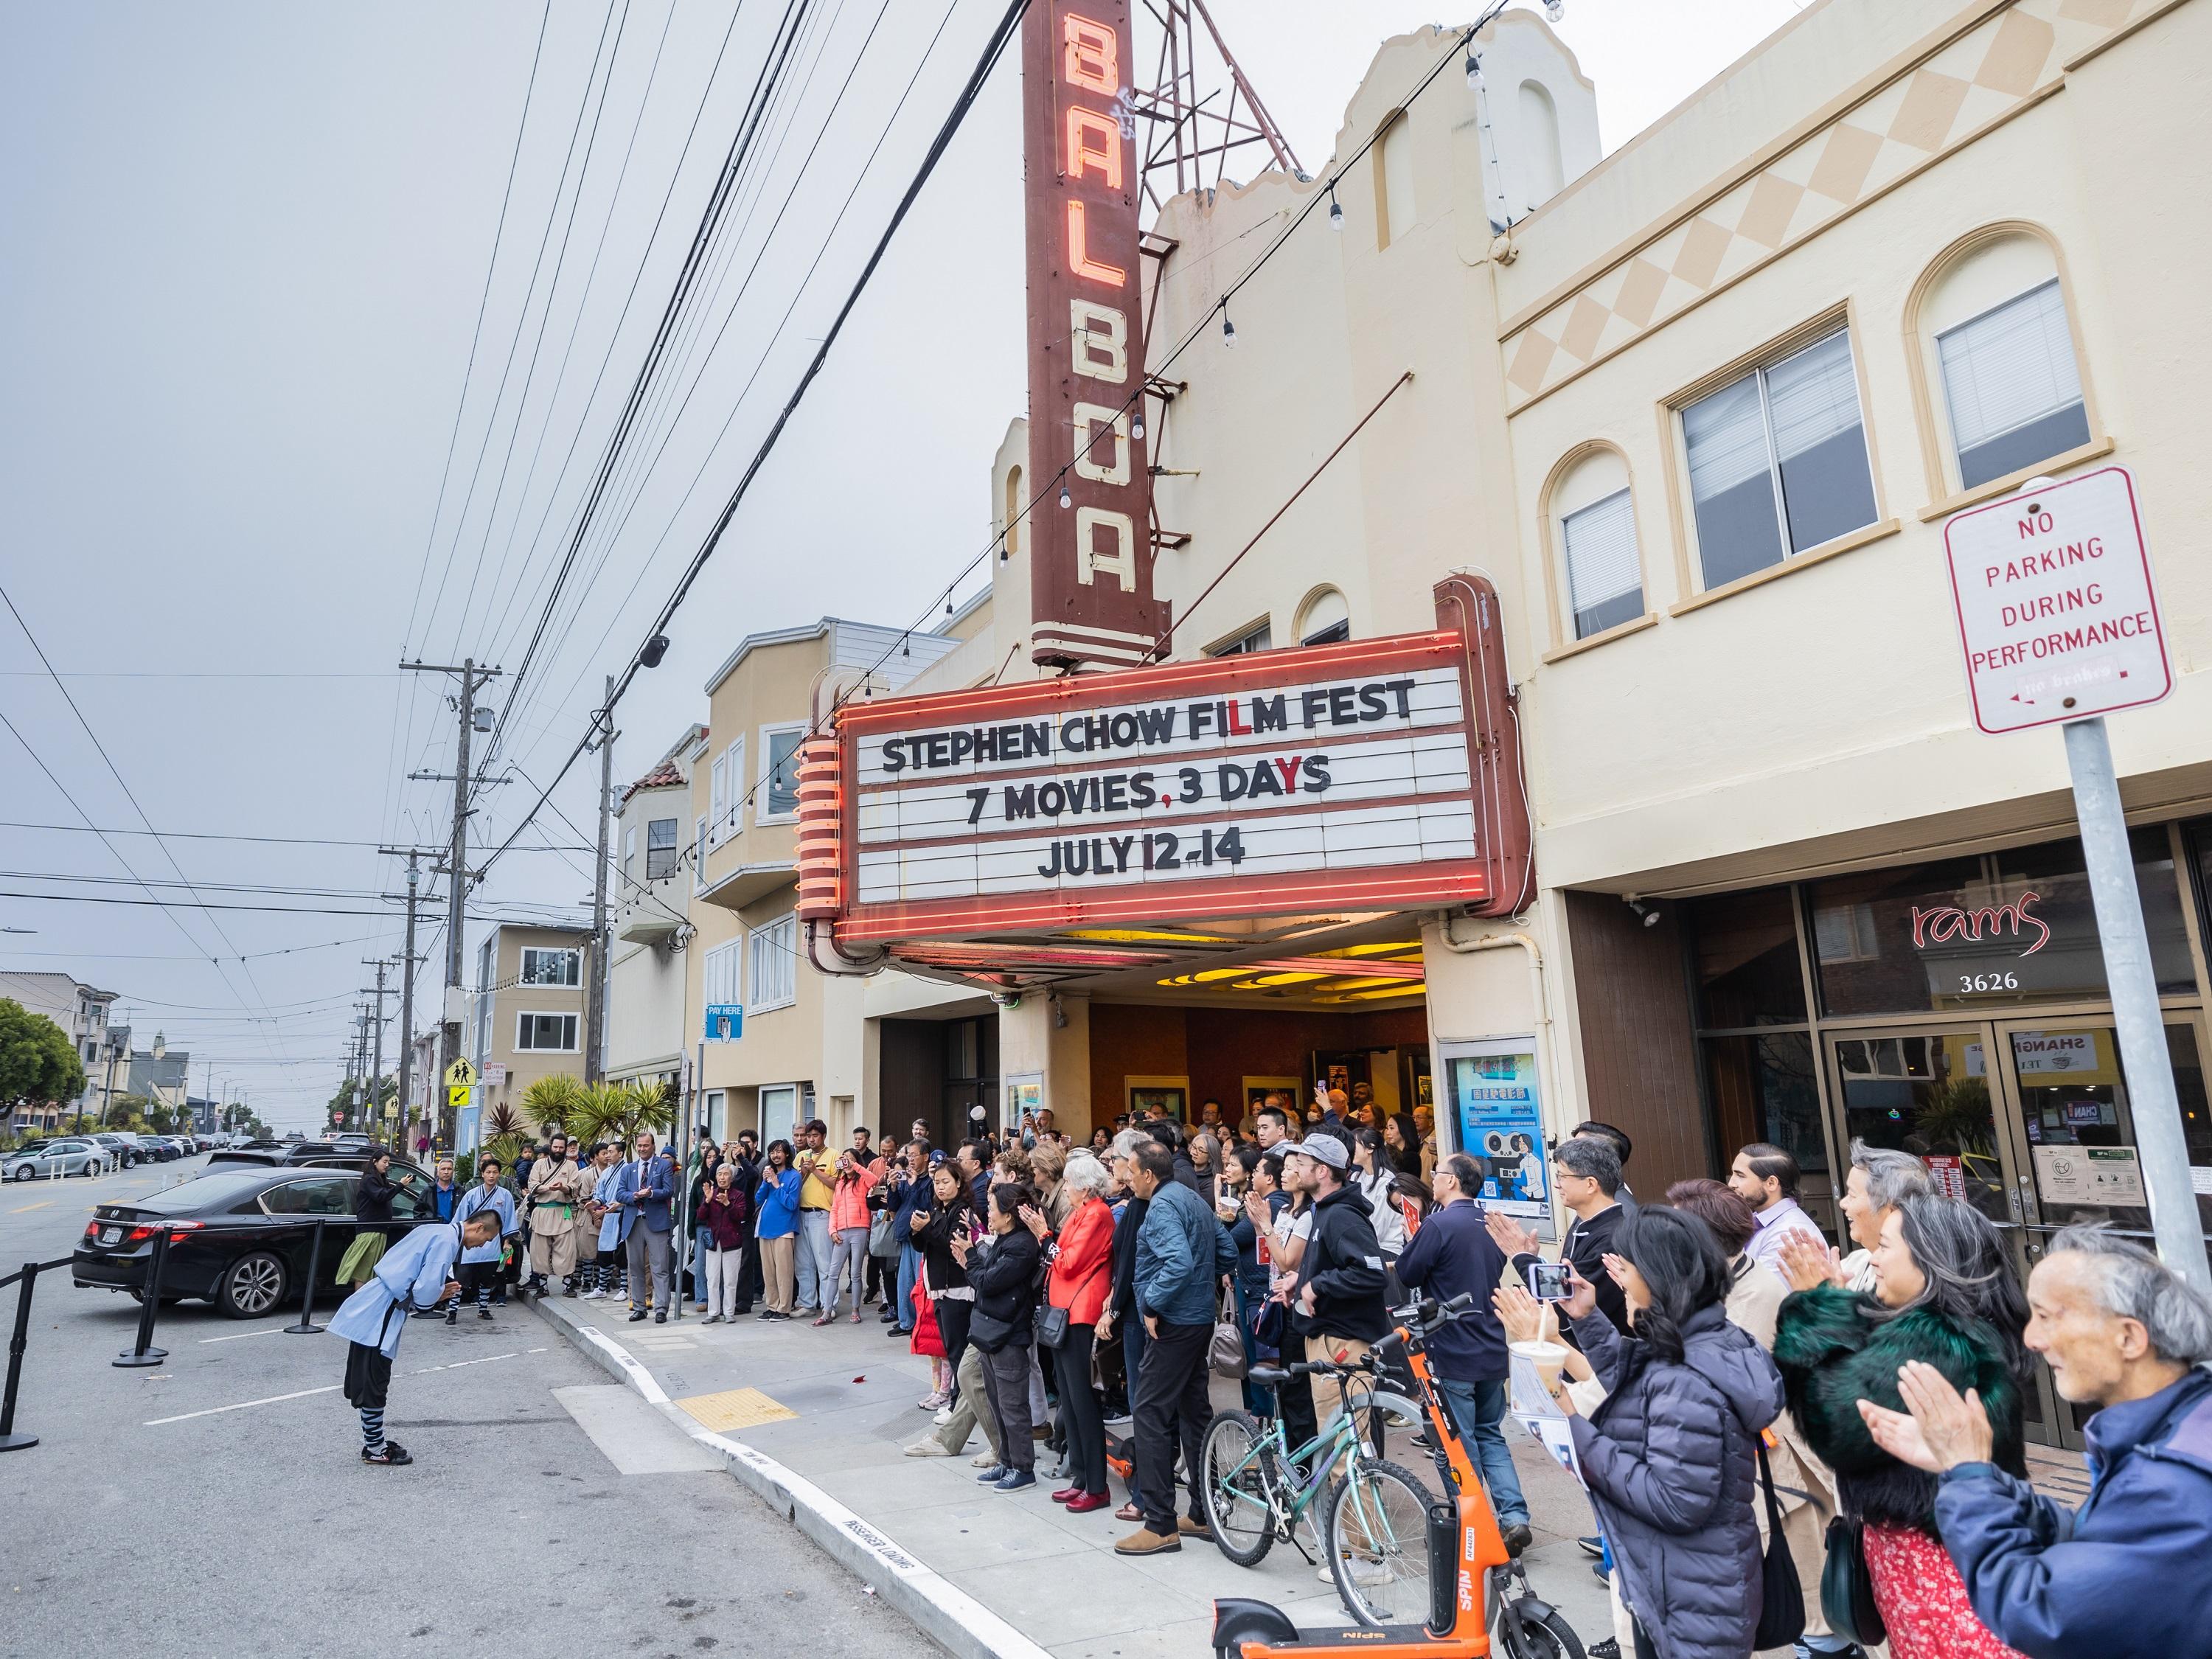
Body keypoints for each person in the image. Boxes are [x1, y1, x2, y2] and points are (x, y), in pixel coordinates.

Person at [1857, 1226, 2212, 1659]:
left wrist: (1969, 1477)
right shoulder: (2173, 1433)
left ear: (2129, 1338)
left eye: (2047, 1316)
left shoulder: (2174, 1481)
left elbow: (2039, 1610)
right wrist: (1971, 1472)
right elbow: (2094, 1539)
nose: (2032, 1339)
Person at [1773, 1192, 2031, 1659]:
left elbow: (1838, 1427)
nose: (1874, 1258)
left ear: (1930, 1260)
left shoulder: (1938, 1337)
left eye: (1886, 1247)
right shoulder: (1936, 1324)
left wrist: (1814, 1307)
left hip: (1937, 1558)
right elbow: (1868, 1366)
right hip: (1939, 1550)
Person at [1546, 1205, 1785, 1659]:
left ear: (1656, 1278)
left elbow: (1675, 1501)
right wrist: (1588, 1317)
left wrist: (1572, 1428)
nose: (1622, 1282)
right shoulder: (1710, 1339)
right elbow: (1644, 1384)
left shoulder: (1688, 1374)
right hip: (1698, 1582)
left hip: (1691, 1598)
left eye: (1628, 1270)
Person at [1665, 1178, 1848, 1658]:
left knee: (1809, 1598)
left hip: (1780, 1464)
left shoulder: (1753, 1297)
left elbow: (1724, 1389)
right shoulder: (1721, 1284)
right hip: (1759, 1465)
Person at [1395, 1152, 1532, 1554]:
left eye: (1437, 1174)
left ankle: (1473, 1522)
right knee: (1491, 1433)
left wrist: (1412, 1241)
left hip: (1452, 1343)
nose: (1433, 1180)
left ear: (1452, 1181)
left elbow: (1406, 1273)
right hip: (1491, 1342)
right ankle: (1515, 1517)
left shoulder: (1438, 1224)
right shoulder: (1491, 1223)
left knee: (1460, 1439)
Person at [1116, 1138, 1236, 1557]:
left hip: (1174, 1322)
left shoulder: (1164, 1205)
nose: (1127, 1181)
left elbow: (1178, 1263)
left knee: (1149, 1409)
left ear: (1148, 1174)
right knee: (1193, 1411)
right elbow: (1226, 1251)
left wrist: (1152, 1302)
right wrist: (1201, 1290)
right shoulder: (1191, 1197)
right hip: (1198, 1317)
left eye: (1131, 1173)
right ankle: (1204, 1512)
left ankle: (1161, 1523)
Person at [333, 1205, 501, 1465]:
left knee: (367, 1375)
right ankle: (375, 1448)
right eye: (486, 1239)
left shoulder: (437, 1230)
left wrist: (433, 1290)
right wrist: (440, 1294)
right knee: (374, 1378)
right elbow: (424, 1294)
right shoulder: (447, 1242)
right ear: (479, 1227)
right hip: (384, 1310)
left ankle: (373, 1442)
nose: (483, 1245)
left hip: (378, 1299)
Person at [1281, 1135, 1389, 1436]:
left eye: (1302, 1164)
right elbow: (1336, 1263)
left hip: (1342, 1343)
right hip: (1330, 1337)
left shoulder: (1341, 1215)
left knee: (1347, 1445)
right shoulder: (1326, 1210)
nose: (1295, 1169)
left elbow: (1372, 1272)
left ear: (1322, 1171)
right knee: (1337, 1440)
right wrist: (1301, 1280)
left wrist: (1317, 1284)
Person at [1034, 1152, 1114, 1512]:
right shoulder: (1083, 1212)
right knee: (1070, 1398)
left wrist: (1045, 1237)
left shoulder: (1097, 1213)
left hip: (1080, 1312)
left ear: (1083, 1187)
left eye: (1068, 1183)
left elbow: (1066, 1263)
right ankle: (1082, 1477)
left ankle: (1096, 1485)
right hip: (1066, 1309)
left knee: (1082, 1402)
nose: (1065, 1188)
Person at [1492, 1135, 1630, 1338]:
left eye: (1562, 1177)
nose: (1557, 1185)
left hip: (1599, 1356)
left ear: (1591, 1184)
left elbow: (1564, 1292)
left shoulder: (1613, 1236)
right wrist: (1534, 1259)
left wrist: (1520, 1255)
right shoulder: (1585, 1222)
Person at [907, 1161, 996, 1464]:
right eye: (936, 1182)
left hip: (959, 1289)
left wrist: (928, 1230)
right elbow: (924, 1245)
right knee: (953, 1352)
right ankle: (959, 1410)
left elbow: (952, 1247)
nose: (940, 1187)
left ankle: (960, 1407)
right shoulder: (938, 1210)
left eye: (946, 1181)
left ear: (959, 1183)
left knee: (960, 1354)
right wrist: (917, 1230)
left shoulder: (962, 1212)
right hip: (941, 1289)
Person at [964, 1182, 1045, 1492]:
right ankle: (1007, 1461)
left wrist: (970, 1255)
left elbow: (987, 1281)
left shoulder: (1023, 1245)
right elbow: (984, 1276)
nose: (988, 1213)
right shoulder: (1005, 1239)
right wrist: (975, 1260)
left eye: (993, 1208)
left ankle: (1024, 1468)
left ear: (1008, 1215)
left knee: (1013, 1406)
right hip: (990, 1330)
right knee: (997, 1403)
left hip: (1009, 1333)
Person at [1836, 1139, 1933, 1291]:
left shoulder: (1915, 1282)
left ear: (1893, 1210)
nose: (1843, 1204)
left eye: (1852, 1195)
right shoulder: (1857, 1261)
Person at [1728, 1141, 1826, 1281]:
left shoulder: (1787, 1235)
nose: (1731, 1183)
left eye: (1740, 1175)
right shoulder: (1760, 1219)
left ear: (1771, 1183)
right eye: (1733, 1174)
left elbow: (1759, 1295)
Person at [615, 1130, 677, 1324]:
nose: (642, 1149)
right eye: (639, 1146)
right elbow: (619, 1194)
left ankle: (661, 1309)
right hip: (633, 1221)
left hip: (656, 1222)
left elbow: (668, 1190)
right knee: (635, 1267)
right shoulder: (628, 1169)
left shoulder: (664, 1165)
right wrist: (634, 1196)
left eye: (646, 1145)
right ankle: (639, 1307)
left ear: (653, 1147)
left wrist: (650, 1194)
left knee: (659, 1267)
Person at [448, 1157, 518, 1322]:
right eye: (488, 1172)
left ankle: (483, 1309)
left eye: (495, 1172)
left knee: (487, 1280)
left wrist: (506, 1243)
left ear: (499, 1174)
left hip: (492, 1243)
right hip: (471, 1243)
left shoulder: (505, 1195)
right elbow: (461, 1219)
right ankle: (452, 1311)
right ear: (482, 1174)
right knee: (461, 1279)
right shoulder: (471, 1195)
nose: (491, 1176)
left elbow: (508, 1221)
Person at [521, 1134, 585, 1298]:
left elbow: (574, 1188)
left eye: (561, 1148)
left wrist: (562, 1188)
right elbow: (533, 1185)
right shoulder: (539, 1164)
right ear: (550, 1147)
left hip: (562, 1211)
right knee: (539, 1252)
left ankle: (567, 1286)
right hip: (542, 1211)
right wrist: (550, 1187)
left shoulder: (571, 1166)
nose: (558, 1150)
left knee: (567, 1251)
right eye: (555, 1147)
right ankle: (542, 1287)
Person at [821, 1142, 877, 1325]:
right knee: (833, 1272)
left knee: (855, 1274)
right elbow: (835, 1208)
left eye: (850, 1160)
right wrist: (832, 1230)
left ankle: (855, 1310)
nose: (847, 1164)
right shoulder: (840, 1183)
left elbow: (874, 1180)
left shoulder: (862, 1179)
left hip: (859, 1229)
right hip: (841, 1232)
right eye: (844, 1160)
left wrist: (855, 1165)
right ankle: (826, 1312)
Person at [752, 1139, 802, 1319]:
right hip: (765, 1229)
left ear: (787, 1154)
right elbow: (758, 1199)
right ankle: (772, 1306)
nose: (775, 1155)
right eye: (772, 1152)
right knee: (769, 1273)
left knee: (784, 1273)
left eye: (779, 1151)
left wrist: (776, 1184)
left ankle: (784, 1309)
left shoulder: (794, 1176)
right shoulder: (769, 1174)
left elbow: (791, 1204)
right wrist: (767, 1181)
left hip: (784, 1230)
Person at [792, 1120, 837, 1317]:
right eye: (808, 1136)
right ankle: (807, 1303)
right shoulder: (801, 1156)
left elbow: (835, 1184)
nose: (810, 1140)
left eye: (814, 1136)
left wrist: (814, 1170)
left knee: (824, 1263)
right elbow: (795, 1186)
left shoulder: (834, 1155)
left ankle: (829, 1305)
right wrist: (803, 1173)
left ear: (823, 1136)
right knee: (803, 1263)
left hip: (821, 1214)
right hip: (801, 1213)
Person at [339, 1147, 399, 1290]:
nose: (387, 1165)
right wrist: (401, 1185)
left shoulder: (380, 1180)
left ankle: (365, 1304)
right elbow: (381, 1196)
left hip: (379, 1230)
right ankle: (358, 1304)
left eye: (388, 1162)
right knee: (364, 1272)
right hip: (370, 1231)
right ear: (375, 1162)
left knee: (371, 1271)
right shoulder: (369, 1180)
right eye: (385, 1162)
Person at [698, 1161, 749, 1323]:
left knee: (730, 1279)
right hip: (713, 1240)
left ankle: (728, 1312)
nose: (722, 1177)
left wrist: (727, 1204)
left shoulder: (738, 1195)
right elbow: (700, 1216)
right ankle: (713, 1312)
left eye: (726, 1174)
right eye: (719, 1174)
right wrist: (707, 1201)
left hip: (732, 1240)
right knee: (712, 1278)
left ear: (732, 1178)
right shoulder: (711, 1193)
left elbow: (740, 1216)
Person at [582, 1142, 625, 1300]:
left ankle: (624, 1289)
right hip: (608, 1216)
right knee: (604, 1252)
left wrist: (620, 1204)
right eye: (606, 1153)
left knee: (622, 1254)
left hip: (621, 1215)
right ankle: (601, 1288)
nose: (608, 1155)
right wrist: (596, 1203)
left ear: (620, 1154)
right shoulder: (606, 1173)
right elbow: (601, 1194)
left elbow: (629, 1193)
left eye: (611, 1152)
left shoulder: (627, 1170)